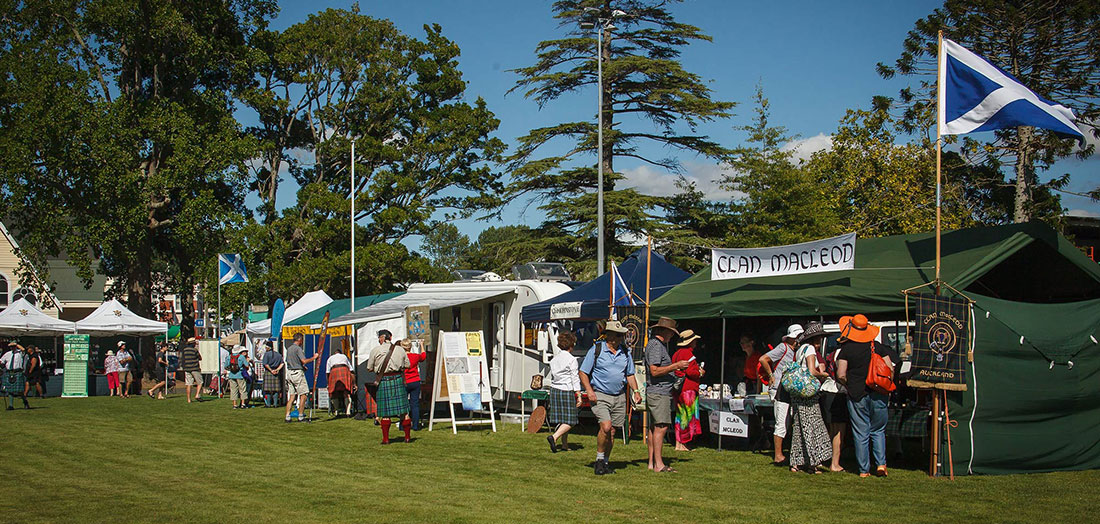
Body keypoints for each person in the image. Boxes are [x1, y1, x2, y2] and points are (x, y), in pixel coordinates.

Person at [579, 320, 642, 475]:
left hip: (619, 396)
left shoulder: (625, 352)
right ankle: (599, 460)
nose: (619, 339)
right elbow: (583, 372)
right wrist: (589, 390)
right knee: (605, 427)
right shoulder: (597, 350)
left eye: (620, 335)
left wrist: (636, 391)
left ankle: (605, 463)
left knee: (612, 431)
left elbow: (630, 374)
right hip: (600, 394)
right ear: (608, 336)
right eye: (616, 335)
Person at [836, 314, 896, 478]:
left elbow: (841, 374)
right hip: (879, 392)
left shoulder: (846, 350)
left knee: (861, 432)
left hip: (857, 394)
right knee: (878, 430)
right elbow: (890, 369)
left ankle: (864, 470)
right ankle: (881, 465)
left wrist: (849, 384)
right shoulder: (879, 347)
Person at [645, 317, 688, 473]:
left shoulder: (656, 345)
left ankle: (652, 462)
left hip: (657, 391)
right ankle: (659, 464)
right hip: (659, 392)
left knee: (654, 427)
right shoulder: (656, 346)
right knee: (661, 427)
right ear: (664, 331)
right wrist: (676, 366)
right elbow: (654, 371)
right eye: (671, 332)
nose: (672, 336)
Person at [787, 322, 832, 474]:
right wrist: (824, 375)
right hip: (808, 393)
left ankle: (796, 462)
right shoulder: (810, 349)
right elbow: (812, 371)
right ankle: (812, 463)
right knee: (811, 426)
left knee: (799, 427)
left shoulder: (800, 349)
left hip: (798, 394)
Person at [759, 324, 802, 465]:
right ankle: (778, 455)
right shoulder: (783, 347)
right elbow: (763, 359)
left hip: (789, 389)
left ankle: (785, 452)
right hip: (779, 389)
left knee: (788, 421)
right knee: (781, 421)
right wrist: (771, 375)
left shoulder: (797, 350)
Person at [368, 336, 413, 444]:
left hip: (383, 380)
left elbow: (369, 368)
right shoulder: (400, 349)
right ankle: (407, 437)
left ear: (382, 338)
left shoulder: (375, 350)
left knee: (385, 413)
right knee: (404, 412)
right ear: (390, 337)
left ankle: (386, 439)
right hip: (398, 380)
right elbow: (408, 365)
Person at [546, 330, 581, 453]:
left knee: (563, 419)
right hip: (567, 390)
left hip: (555, 389)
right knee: (571, 420)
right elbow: (574, 378)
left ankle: (565, 445)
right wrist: (579, 394)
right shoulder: (572, 360)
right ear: (571, 345)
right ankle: (554, 437)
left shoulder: (554, 359)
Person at [671, 329, 705, 452]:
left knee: (680, 416)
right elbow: (691, 372)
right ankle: (684, 443)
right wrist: (699, 372)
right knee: (687, 416)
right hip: (688, 389)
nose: (696, 342)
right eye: (694, 340)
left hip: (678, 390)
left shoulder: (676, 354)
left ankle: (678, 443)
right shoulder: (688, 354)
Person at [819, 337, 849, 472]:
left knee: (831, 429)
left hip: (826, 391)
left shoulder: (832, 354)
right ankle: (834, 463)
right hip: (838, 392)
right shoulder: (843, 354)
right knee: (839, 430)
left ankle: (825, 458)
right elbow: (841, 375)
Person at [284, 333, 319, 422]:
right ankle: (300, 416)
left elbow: (291, 361)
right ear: (299, 340)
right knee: (303, 394)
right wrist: (313, 358)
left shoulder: (289, 349)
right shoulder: (298, 349)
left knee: (292, 396)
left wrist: (302, 366)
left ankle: (287, 416)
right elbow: (304, 360)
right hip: (297, 373)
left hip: (289, 372)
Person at [402, 339, 427, 430]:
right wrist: (421, 345)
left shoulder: (401, 357)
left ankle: (403, 425)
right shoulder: (415, 356)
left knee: (403, 404)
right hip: (415, 381)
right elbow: (423, 356)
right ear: (410, 347)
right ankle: (415, 425)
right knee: (415, 404)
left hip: (405, 381)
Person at [326, 348, 356, 417]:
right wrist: (354, 383)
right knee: (346, 392)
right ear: (340, 353)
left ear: (334, 353)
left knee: (334, 393)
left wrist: (329, 383)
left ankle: (336, 411)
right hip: (344, 370)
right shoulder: (344, 356)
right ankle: (348, 412)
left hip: (334, 371)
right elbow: (351, 370)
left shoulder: (330, 358)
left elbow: (327, 372)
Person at [1, 342, 30, 409]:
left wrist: (16, 344)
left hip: (18, 372)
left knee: (20, 391)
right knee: (9, 390)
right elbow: (2, 361)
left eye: (13, 346)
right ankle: (11, 405)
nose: (12, 348)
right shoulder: (7, 354)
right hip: (9, 372)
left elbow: (23, 349)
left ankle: (25, 402)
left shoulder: (20, 353)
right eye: (11, 347)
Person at [179, 337, 204, 403]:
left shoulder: (185, 350)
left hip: (187, 368)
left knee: (189, 384)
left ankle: (189, 399)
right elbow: (200, 358)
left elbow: (182, 359)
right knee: (200, 382)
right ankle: (197, 394)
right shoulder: (195, 350)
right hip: (195, 368)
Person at [260, 340, 284, 408]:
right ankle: (275, 404)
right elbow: (282, 363)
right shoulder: (278, 354)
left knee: (267, 390)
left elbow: (265, 364)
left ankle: (268, 404)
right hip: (276, 372)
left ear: (268, 347)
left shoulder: (266, 354)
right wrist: (277, 369)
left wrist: (271, 370)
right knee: (276, 390)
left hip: (269, 372)